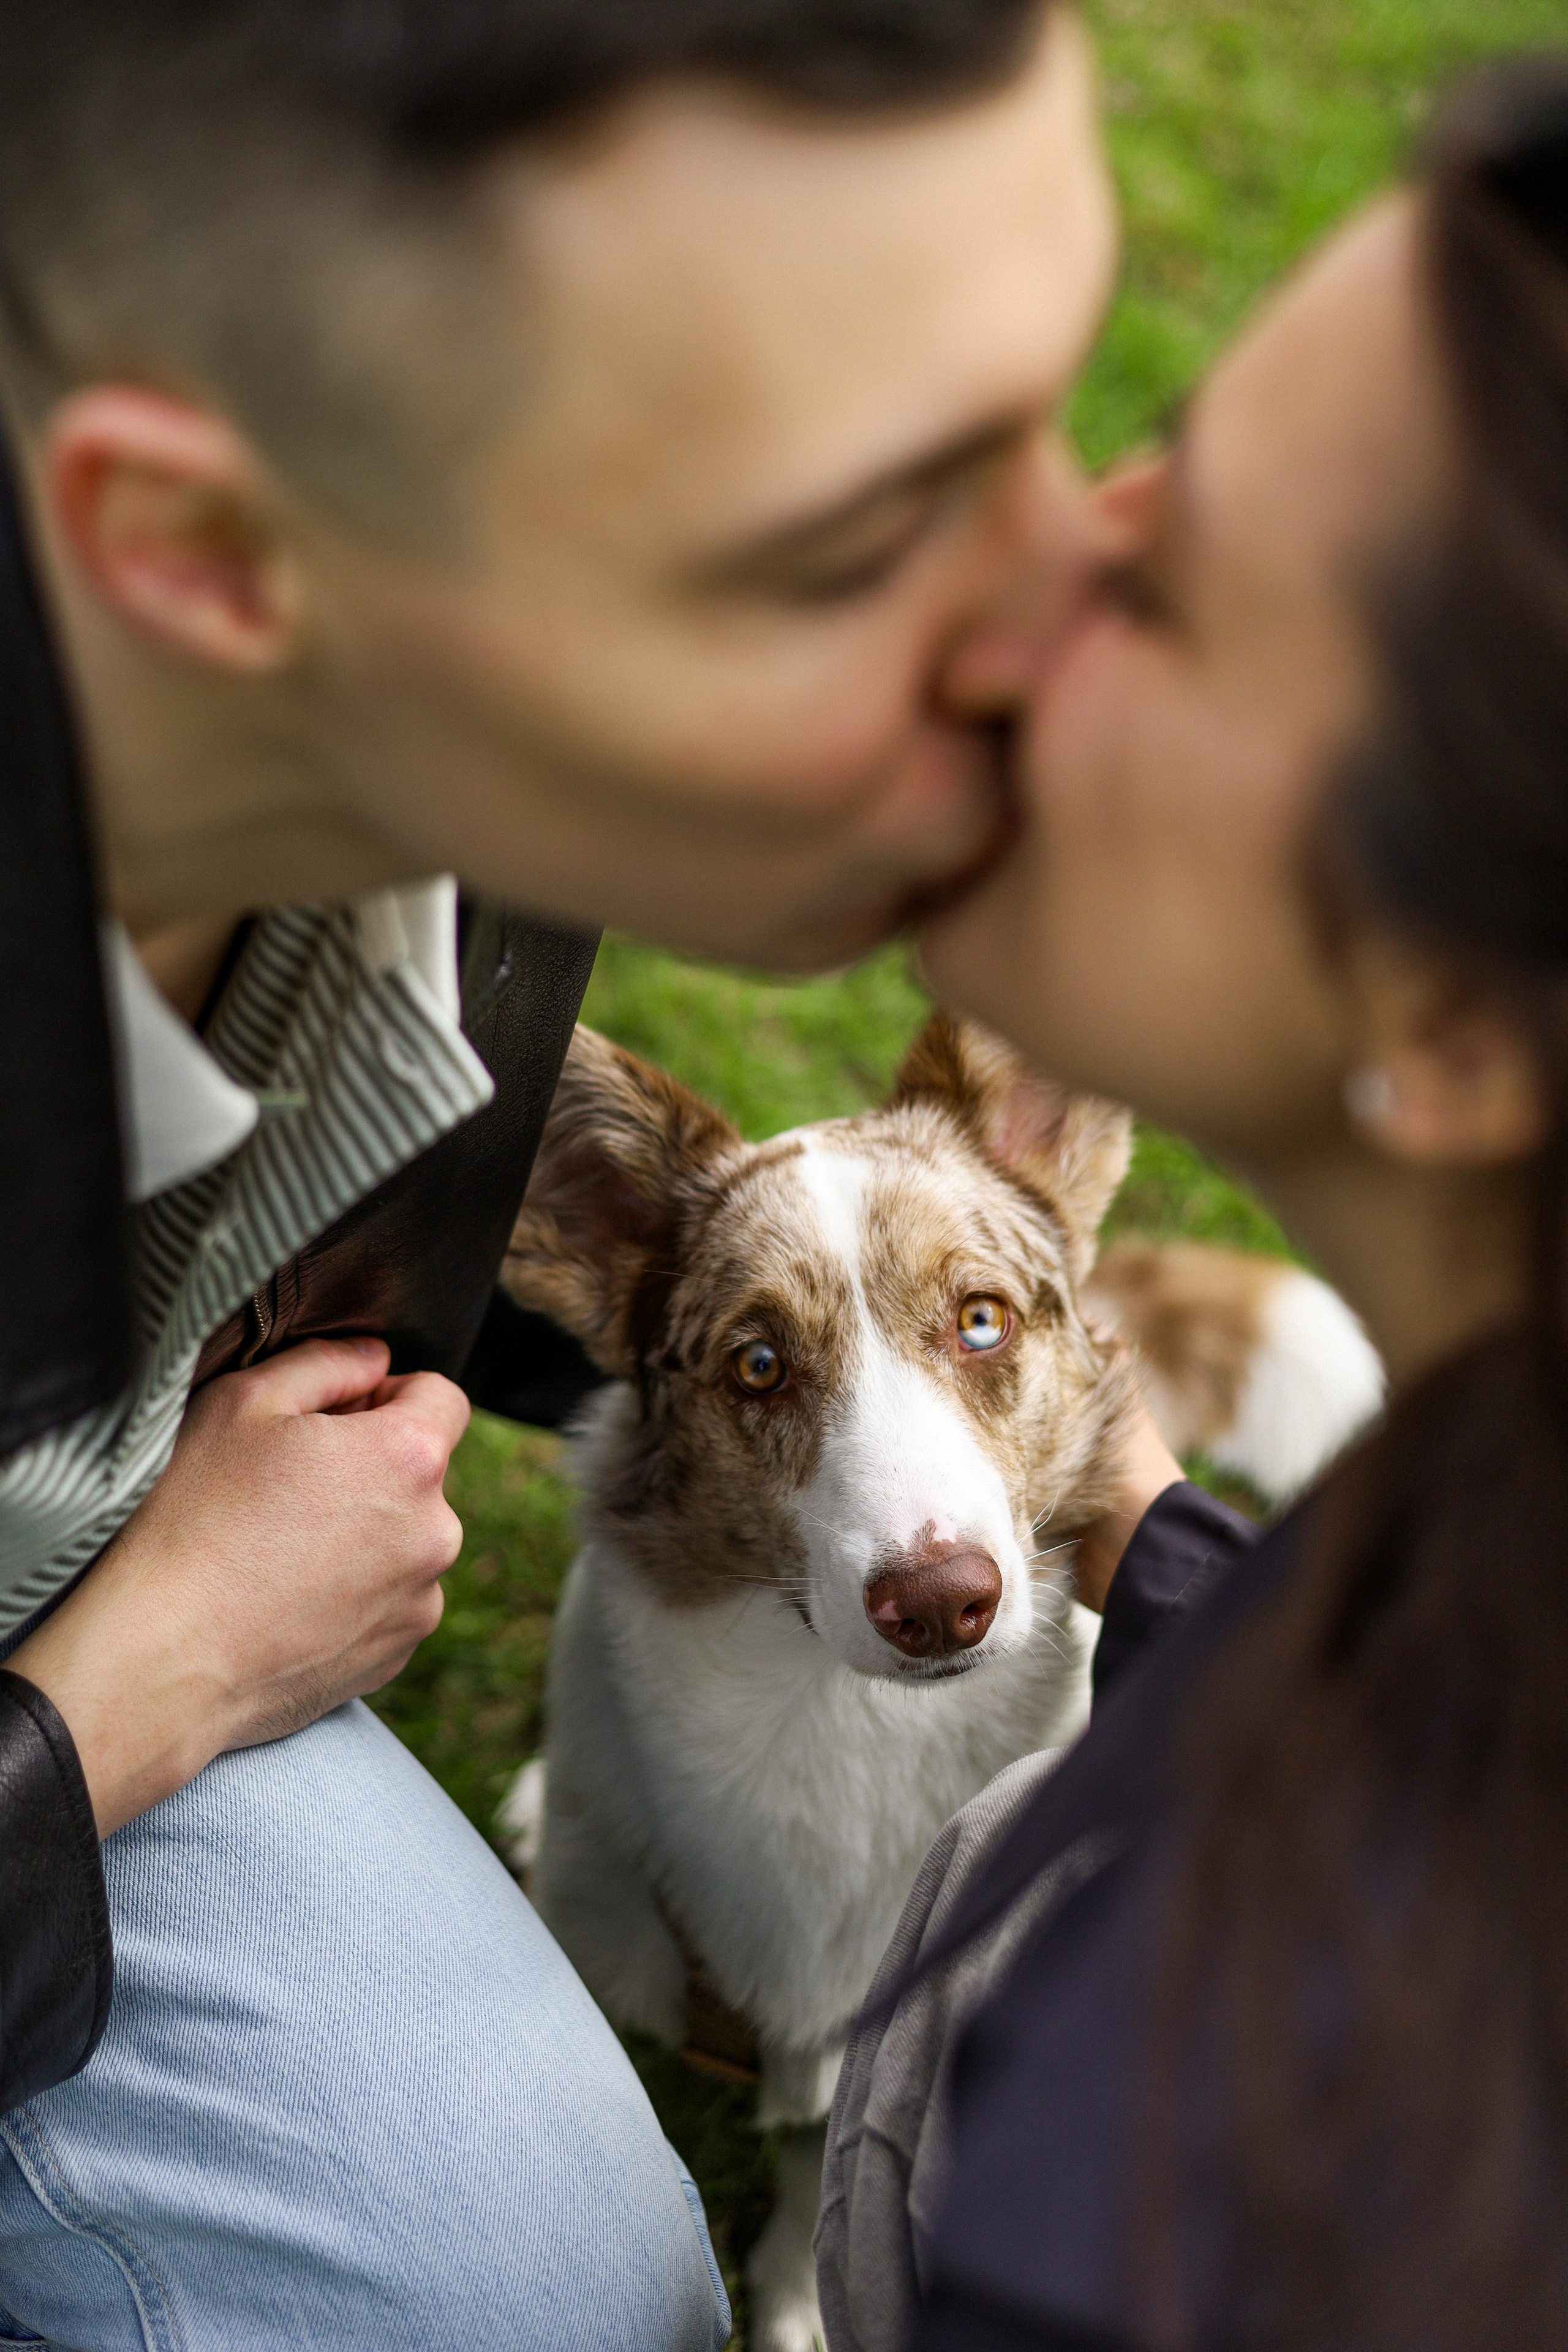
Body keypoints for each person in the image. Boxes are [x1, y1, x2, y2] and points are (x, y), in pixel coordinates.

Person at [0, 1, 1142, 2344]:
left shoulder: (435, 766)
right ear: (212, 558)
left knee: (567, 2288)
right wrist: (132, 1692)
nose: (1073, 635)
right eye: (857, 520)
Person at [888, 51, 1568, 2352]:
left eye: (1166, 589)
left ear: (1458, 1023)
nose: (1029, 571)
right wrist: (1162, 1553)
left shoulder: (1161, 2201)